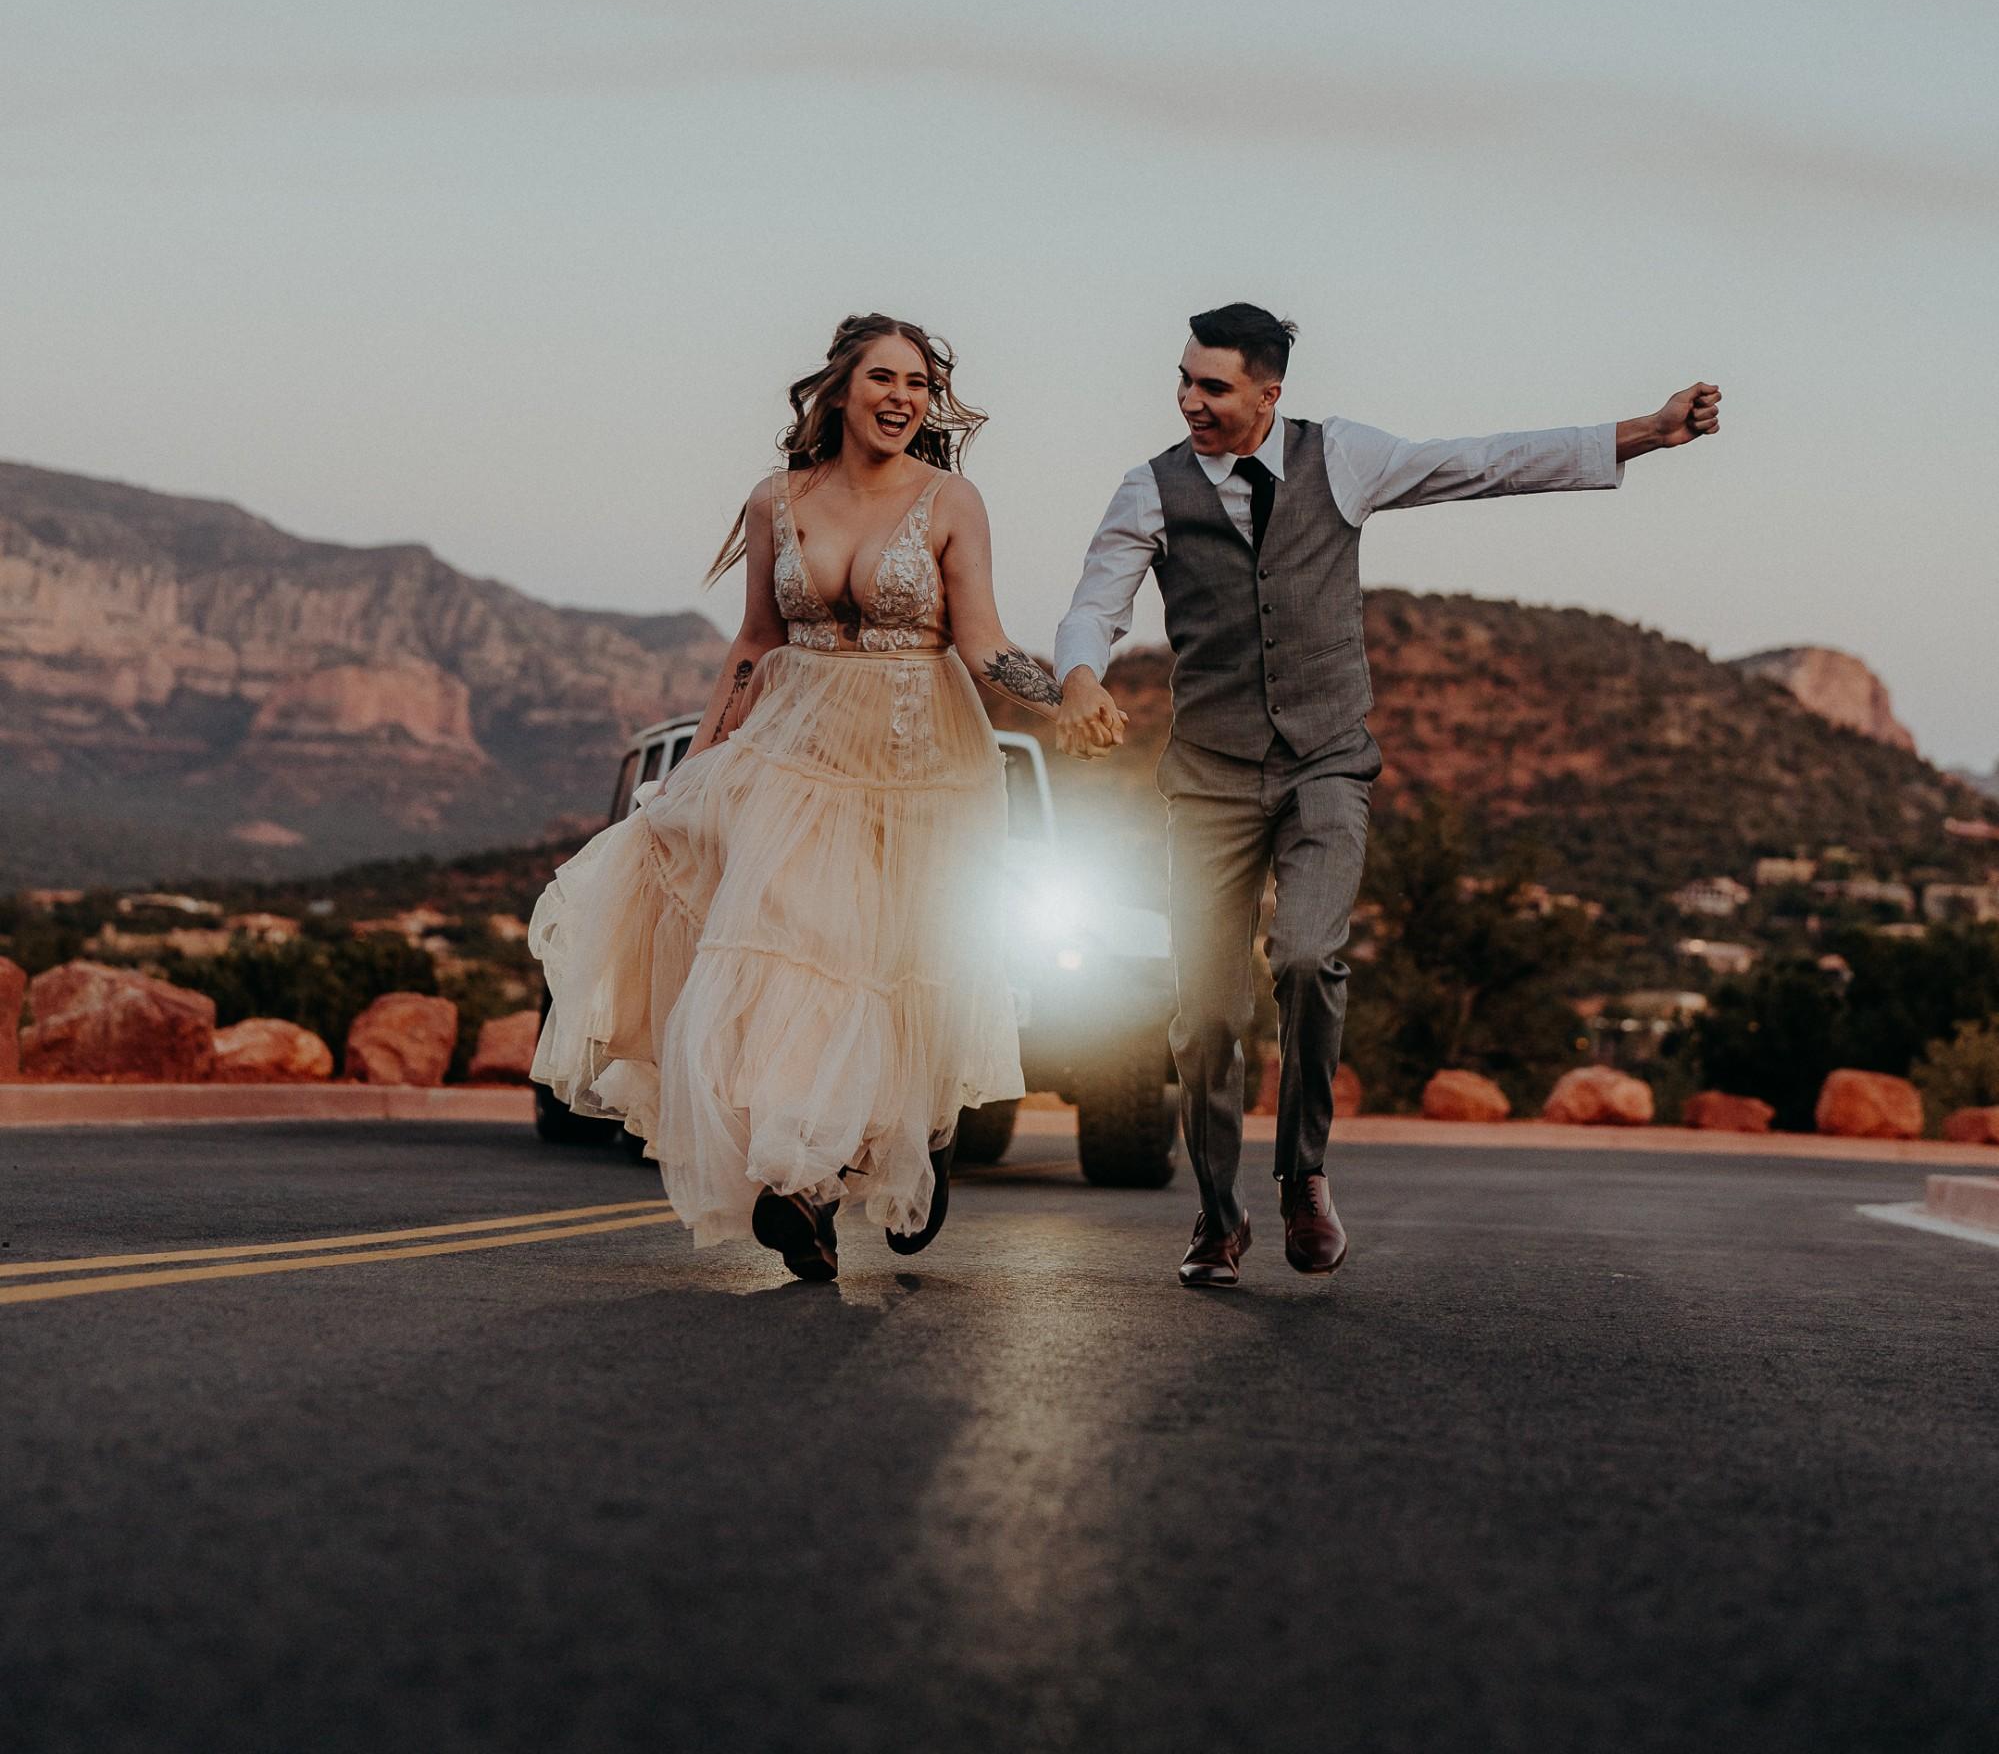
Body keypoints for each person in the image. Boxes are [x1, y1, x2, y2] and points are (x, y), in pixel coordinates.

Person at [1051, 303, 1721, 1291]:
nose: (1190, 401)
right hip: (1210, 781)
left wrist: (1647, 432)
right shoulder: (1148, 490)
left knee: (1311, 956)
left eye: (1213, 386)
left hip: (1325, 761)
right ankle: (1218, 1211)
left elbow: (1486, 461)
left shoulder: (1345, 459)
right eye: (1184, 381)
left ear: (1268, 394)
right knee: (1203, 1016)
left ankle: (1303, 1178)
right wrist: (1076, 675)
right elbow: (1093, 603)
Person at [530, 313, 1058, 1284]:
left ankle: (916, 1134)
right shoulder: (778, 500)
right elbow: (752, 645)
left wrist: (1062, 693)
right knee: (787, 962)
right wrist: (701, 761)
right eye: (883, 379)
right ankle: (799, 1186)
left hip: (921, 764)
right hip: (795, 751)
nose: (902, 398)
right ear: (839, 390)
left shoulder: (951, 501)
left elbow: (981, 640)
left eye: (917, 385)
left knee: (892, 965)